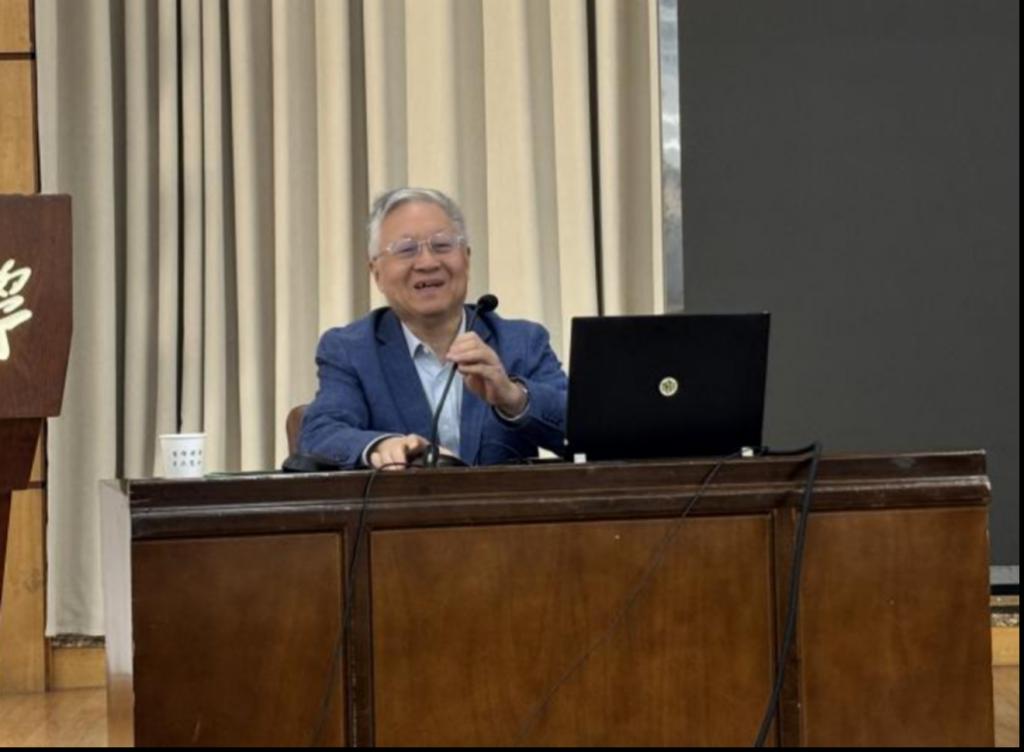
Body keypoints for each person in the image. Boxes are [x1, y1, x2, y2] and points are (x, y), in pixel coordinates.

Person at [299, 187, 567, 469]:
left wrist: (513, 397)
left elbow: (583, 429)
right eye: (406, 249)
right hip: (400, 499)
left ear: (466, 258)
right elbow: (321, 434)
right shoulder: (351, 350)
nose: (427, 263)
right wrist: (381, 446)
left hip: (505, 499)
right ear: (377, 273)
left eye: (442, 245)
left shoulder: (522, 342)